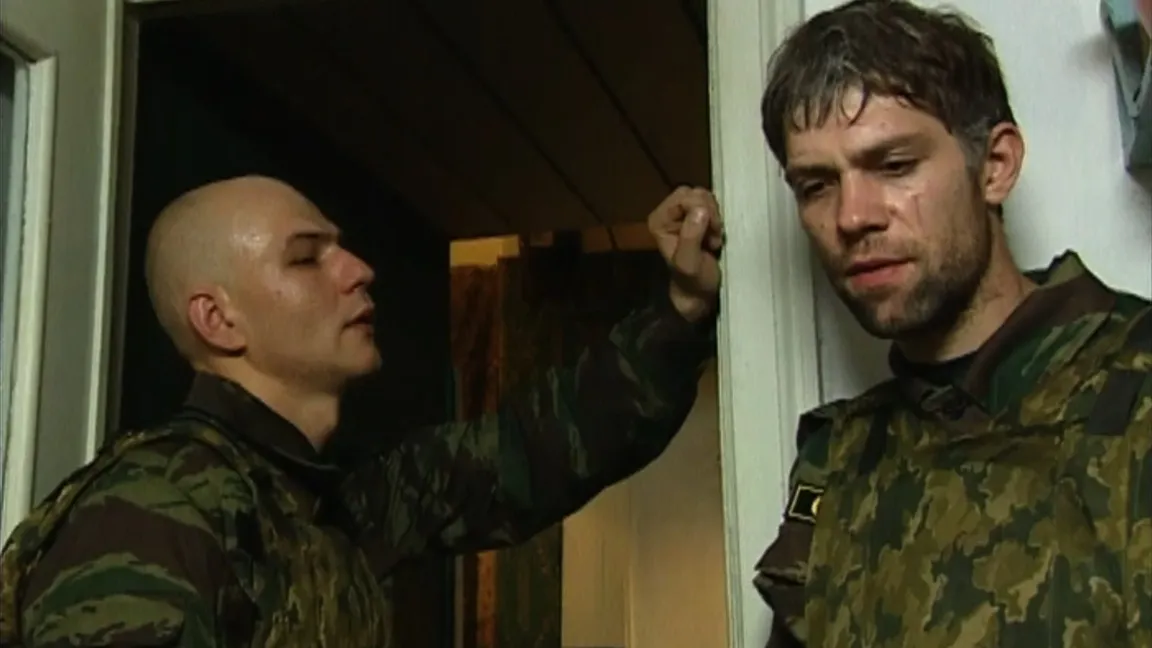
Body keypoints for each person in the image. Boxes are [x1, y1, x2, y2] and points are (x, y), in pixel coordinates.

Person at [0, 176, 724, 646]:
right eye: (306, 257)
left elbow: (539, 447)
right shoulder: (151, 511)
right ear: (218, 320)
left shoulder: (335, 497)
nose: (358, 269)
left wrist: (683, 306)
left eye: (340, 249)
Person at [750, 1, 1152, 647]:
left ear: (994, 166)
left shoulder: (1135, 387)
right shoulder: (838, 458)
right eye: (817, 185)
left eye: (894, 165)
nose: (852, 217)